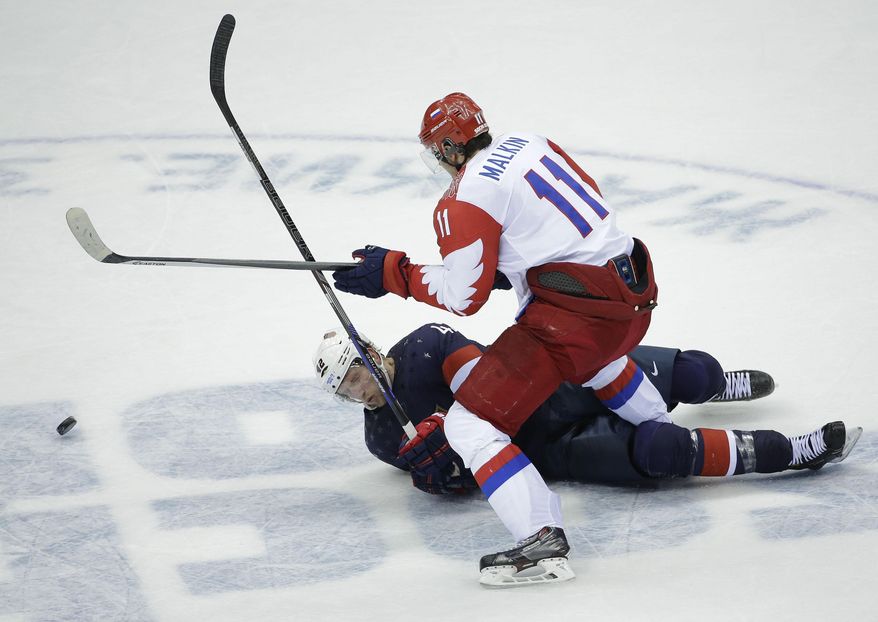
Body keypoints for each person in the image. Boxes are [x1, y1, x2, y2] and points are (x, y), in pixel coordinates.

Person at [329, 93, 857, 587]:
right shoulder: (530, 143)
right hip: (632, 295)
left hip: (573, 317)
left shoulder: (461, 198)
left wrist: (392, 273)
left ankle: (540, 541)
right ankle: (684, 429)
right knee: (606, 374)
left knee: (472, 423)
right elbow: (564, 227)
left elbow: (463, 296)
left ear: (446, 147)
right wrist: (498, 267)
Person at [314, 324, 861, 585]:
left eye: (356, 375)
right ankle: (790, 451)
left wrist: (448, 429)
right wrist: (447, 475)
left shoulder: (425, 345)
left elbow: (487, 379)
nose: (359, 392)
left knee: (695, 371)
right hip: (548, 450)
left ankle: (709, 387)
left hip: (554, 387)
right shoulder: (381, 437)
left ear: (370, 350)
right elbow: (467, 478)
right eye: (346, 391)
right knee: (661, 446)